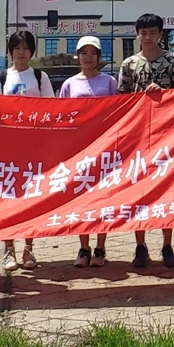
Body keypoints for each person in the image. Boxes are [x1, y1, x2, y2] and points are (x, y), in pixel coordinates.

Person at [118, 13, 174, 269]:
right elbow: (122, 100)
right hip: (137, 136)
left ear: (160, 34)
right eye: (143, 32)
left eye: (152, 32)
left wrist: (163, 94)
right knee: (139, 190)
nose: (148, 37)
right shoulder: (129, 64)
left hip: (166, 133)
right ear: (137, 34)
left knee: (166, 188)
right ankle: (140, 244)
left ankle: (167, 244)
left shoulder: (173, 61)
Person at [0, 30, 55, 271]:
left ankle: (28, 248)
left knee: (31, 200)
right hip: (8, 149)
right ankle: (9, 250)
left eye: (26, 48)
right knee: (8, 200)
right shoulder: (1, 78)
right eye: (17, 48)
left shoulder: (40, 77)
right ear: (10, 51)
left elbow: (51, 109)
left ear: (32, 52)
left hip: (33, 149)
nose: (21, 52)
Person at [59, 35, 118, 267]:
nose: (88, 58)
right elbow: (62, 116)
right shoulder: (69, 84)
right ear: (78, 57)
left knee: (103, 197)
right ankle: (83, 248)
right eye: (84, 53)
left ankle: (100, 248)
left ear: (99, 57)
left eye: (93, 53)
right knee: (81, 197)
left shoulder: (109, 82)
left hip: (104, 146)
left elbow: (118, 111)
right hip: (79, 148)